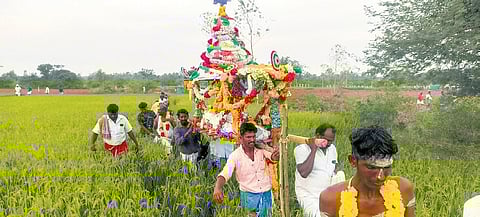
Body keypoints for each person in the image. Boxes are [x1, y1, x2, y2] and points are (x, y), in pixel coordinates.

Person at [319, 126, 415, 217]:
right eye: (372, 167)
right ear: (353, 161)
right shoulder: (331, 198)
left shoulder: (403, 188)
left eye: (387, 167)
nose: (380, 177)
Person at [213, 122, 280, 217]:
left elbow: (273, 157)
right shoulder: (236, 156)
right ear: (241, 138)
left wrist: (276, 155)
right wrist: (218, 188)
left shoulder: (261, 150)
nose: (252, 140)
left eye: (253, 137)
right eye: (248, 137)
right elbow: (226, 173)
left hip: (266, 194)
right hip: (249, 197)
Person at [295, 124, 344, 217]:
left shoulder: (332, 148)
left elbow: (334, 166)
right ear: (317, 136)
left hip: (327, 195)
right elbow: (304, 173)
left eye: (331, 141)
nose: (329, 143)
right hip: (309, 196)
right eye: (327, 140)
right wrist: (313, 149)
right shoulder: (302, 149)